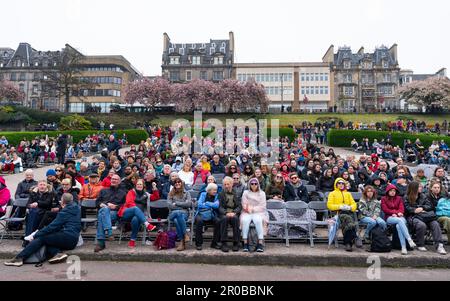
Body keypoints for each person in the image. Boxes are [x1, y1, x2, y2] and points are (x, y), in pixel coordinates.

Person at [4, 193, 81, 267]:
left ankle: (19, 258)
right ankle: (57, 254)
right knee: (48, 240)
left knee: (41, 238)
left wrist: (35, 235)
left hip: (67, 237)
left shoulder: (65, 212)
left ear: (63, 201)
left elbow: (52, 227)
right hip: (73, 240)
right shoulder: (76, 208)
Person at [404, 181, 446, 255]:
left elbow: (430, 206)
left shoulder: (423, 196)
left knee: (435, 224)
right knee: (421, 225)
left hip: (426, 216)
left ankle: (439, 245)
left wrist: (421, 208)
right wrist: (414, 210)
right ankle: (420, 244)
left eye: (421, 186)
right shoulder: (406, 197)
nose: (421, 188)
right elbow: (407, 208)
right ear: (414, 188)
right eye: (419, 187)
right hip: (413, 216)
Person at [118, 179, 159, 248]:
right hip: (126, 212)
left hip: (138, 216)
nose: (139, 185)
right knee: (135, 208)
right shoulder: (131, 192)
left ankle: (132, 240)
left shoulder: (146, 194)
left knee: (136, 219)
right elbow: (129, 203)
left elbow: (155, 197)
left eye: (141, 184)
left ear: (143, 186)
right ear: (135, 185)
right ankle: (147, 224)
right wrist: (137, 211)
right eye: (138, 184)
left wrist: (154, 188)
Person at [327, 178, 361, 252]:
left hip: (348, 212)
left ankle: (348, 243)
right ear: (336, 184)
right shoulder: (332, 193)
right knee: (348, 219)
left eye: (343, 183)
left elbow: (354, 204)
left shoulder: (348, 194)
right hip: (337, 213)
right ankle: (355, 237)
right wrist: (339, 206)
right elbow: (329, 205)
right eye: (339, 183)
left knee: (347, 221)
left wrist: (350, 207)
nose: (341, 185)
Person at [94, 174, 127, 252]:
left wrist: (115, 207)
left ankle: (101, 243)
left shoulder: (123, 193)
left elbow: (125, 205)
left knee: (101, 215)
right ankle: (109, 231)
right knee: (104, 210)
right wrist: (100, 204)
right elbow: (97, 202)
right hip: (104, 211)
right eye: (112, 179)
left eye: (115, 179)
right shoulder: (103, 190)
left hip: (114, 212)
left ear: (119, 182)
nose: (113, 180)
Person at [381, 184, 416, 255]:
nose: (393, 192)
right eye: (391, 191)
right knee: (400, 221)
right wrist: (393, 213)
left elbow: (402, 209)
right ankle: (409, 239)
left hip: (399, 216)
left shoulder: (399, 198)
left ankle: (403, 247)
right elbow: (385, 209)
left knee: (398, 226)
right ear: (388, 191)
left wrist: (397, 214)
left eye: (394, 191)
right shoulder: (384, 198)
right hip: (389, 217)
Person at [241, 178, 267, 253]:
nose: (254, 185)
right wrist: (249, 209)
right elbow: (244, 203)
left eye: (255, 183)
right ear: (249, 184)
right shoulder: (245, 192)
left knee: (258, 221)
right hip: (247, 212)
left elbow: (262, 206)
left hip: (258, 212)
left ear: (258, 184)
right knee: (245, 221)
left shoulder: (262, 193)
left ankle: (260, 243)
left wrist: (252, 209)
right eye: (252, 183)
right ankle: (245, 243)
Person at [217, 177, 242, 252]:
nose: (226, 186)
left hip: (233, 212)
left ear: (232, 184)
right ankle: (224, 242)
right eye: (225, 184)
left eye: (228, 184)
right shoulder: (221, 194)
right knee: (224, 219)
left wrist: (234, 212)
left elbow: (239, 206)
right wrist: (226, 213)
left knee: (235, 219)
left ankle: (236, 242)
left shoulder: (236, 193)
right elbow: (220, 207)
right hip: (225, 213)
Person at [167, 179, 192, 251]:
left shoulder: (187, 193)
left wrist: (177, 203)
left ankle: (182, 242)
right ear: (174, 184)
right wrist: (182, 206)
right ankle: (185, 234)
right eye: (175, 182)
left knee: (177, 219)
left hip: (184, 214)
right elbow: (169, 206)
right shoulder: (170, 194)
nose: (177, 183)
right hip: (172, 213)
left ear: (181, 183)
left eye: (179, 182)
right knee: (178, 213)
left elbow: (189, 204)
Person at [194, 183, 220, 250]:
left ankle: (214, 243)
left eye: (216, 190)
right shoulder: (203, 194)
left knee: (218, 221)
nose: (215, 191)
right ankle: (198, 243)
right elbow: (199, 205)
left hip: (211, 214)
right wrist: (211, 205)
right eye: (213, 190)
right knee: (199, 221)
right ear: (209, 190)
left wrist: (207, 203)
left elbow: (216, 206)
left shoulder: (217, 196)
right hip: (200, 213)